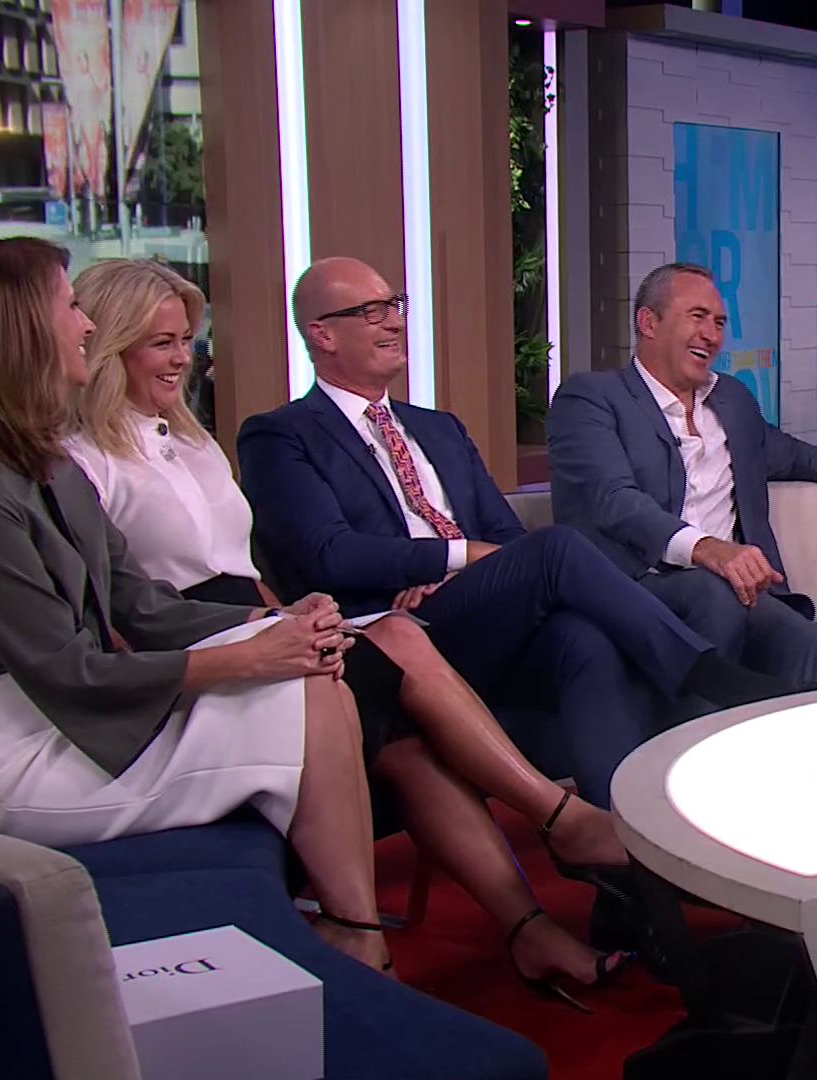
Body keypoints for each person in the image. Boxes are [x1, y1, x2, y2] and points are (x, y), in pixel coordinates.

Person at [67, 258, 628, 1002]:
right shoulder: (84, 461)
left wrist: (287, 613)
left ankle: (527, 930)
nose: (182, 360)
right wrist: (269, 629)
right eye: (160, 344)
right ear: (111, 347)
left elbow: (244, 567)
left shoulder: (192, 442)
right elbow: (110, 615)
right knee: (408, 633)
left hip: (260, 624)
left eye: (185, 342)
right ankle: (562, 817)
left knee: (411, 738)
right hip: (194, 652)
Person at [0, 237, 391, 975]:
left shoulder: (43, 462)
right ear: (14, 331)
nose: (87, 325)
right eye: (68, 307)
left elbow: (139, 605)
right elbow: (65, 670)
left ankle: (355, 931)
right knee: (306, 690)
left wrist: (270, 623)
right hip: (3, 753)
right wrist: (248, 660)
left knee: (314, 676)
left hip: (64, 716)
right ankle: (357, 935)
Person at [237, 257, 799, 813]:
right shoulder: (280, 436)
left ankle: (623, 835)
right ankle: (706, 675)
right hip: (385, 631)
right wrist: (455, 559)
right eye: (371, 311)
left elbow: (505, 534)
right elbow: (328, 554)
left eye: (395, 305)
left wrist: (473, 571)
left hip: (474, 613)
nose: (394, 321)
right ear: (323, 334)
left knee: (582, 637)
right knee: (557, 545)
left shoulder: (438, 428)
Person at [547, 262, 817, 686]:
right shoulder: (590, 398)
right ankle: (698, 719)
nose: (711, 335)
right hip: (638, 587)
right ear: (649, 323)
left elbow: (790, 455)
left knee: (815, 647)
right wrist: (708, 549)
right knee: (713, 596)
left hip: (736, 589)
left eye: (718, 323)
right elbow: (614, 501)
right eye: (697, 317)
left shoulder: (731, 399)